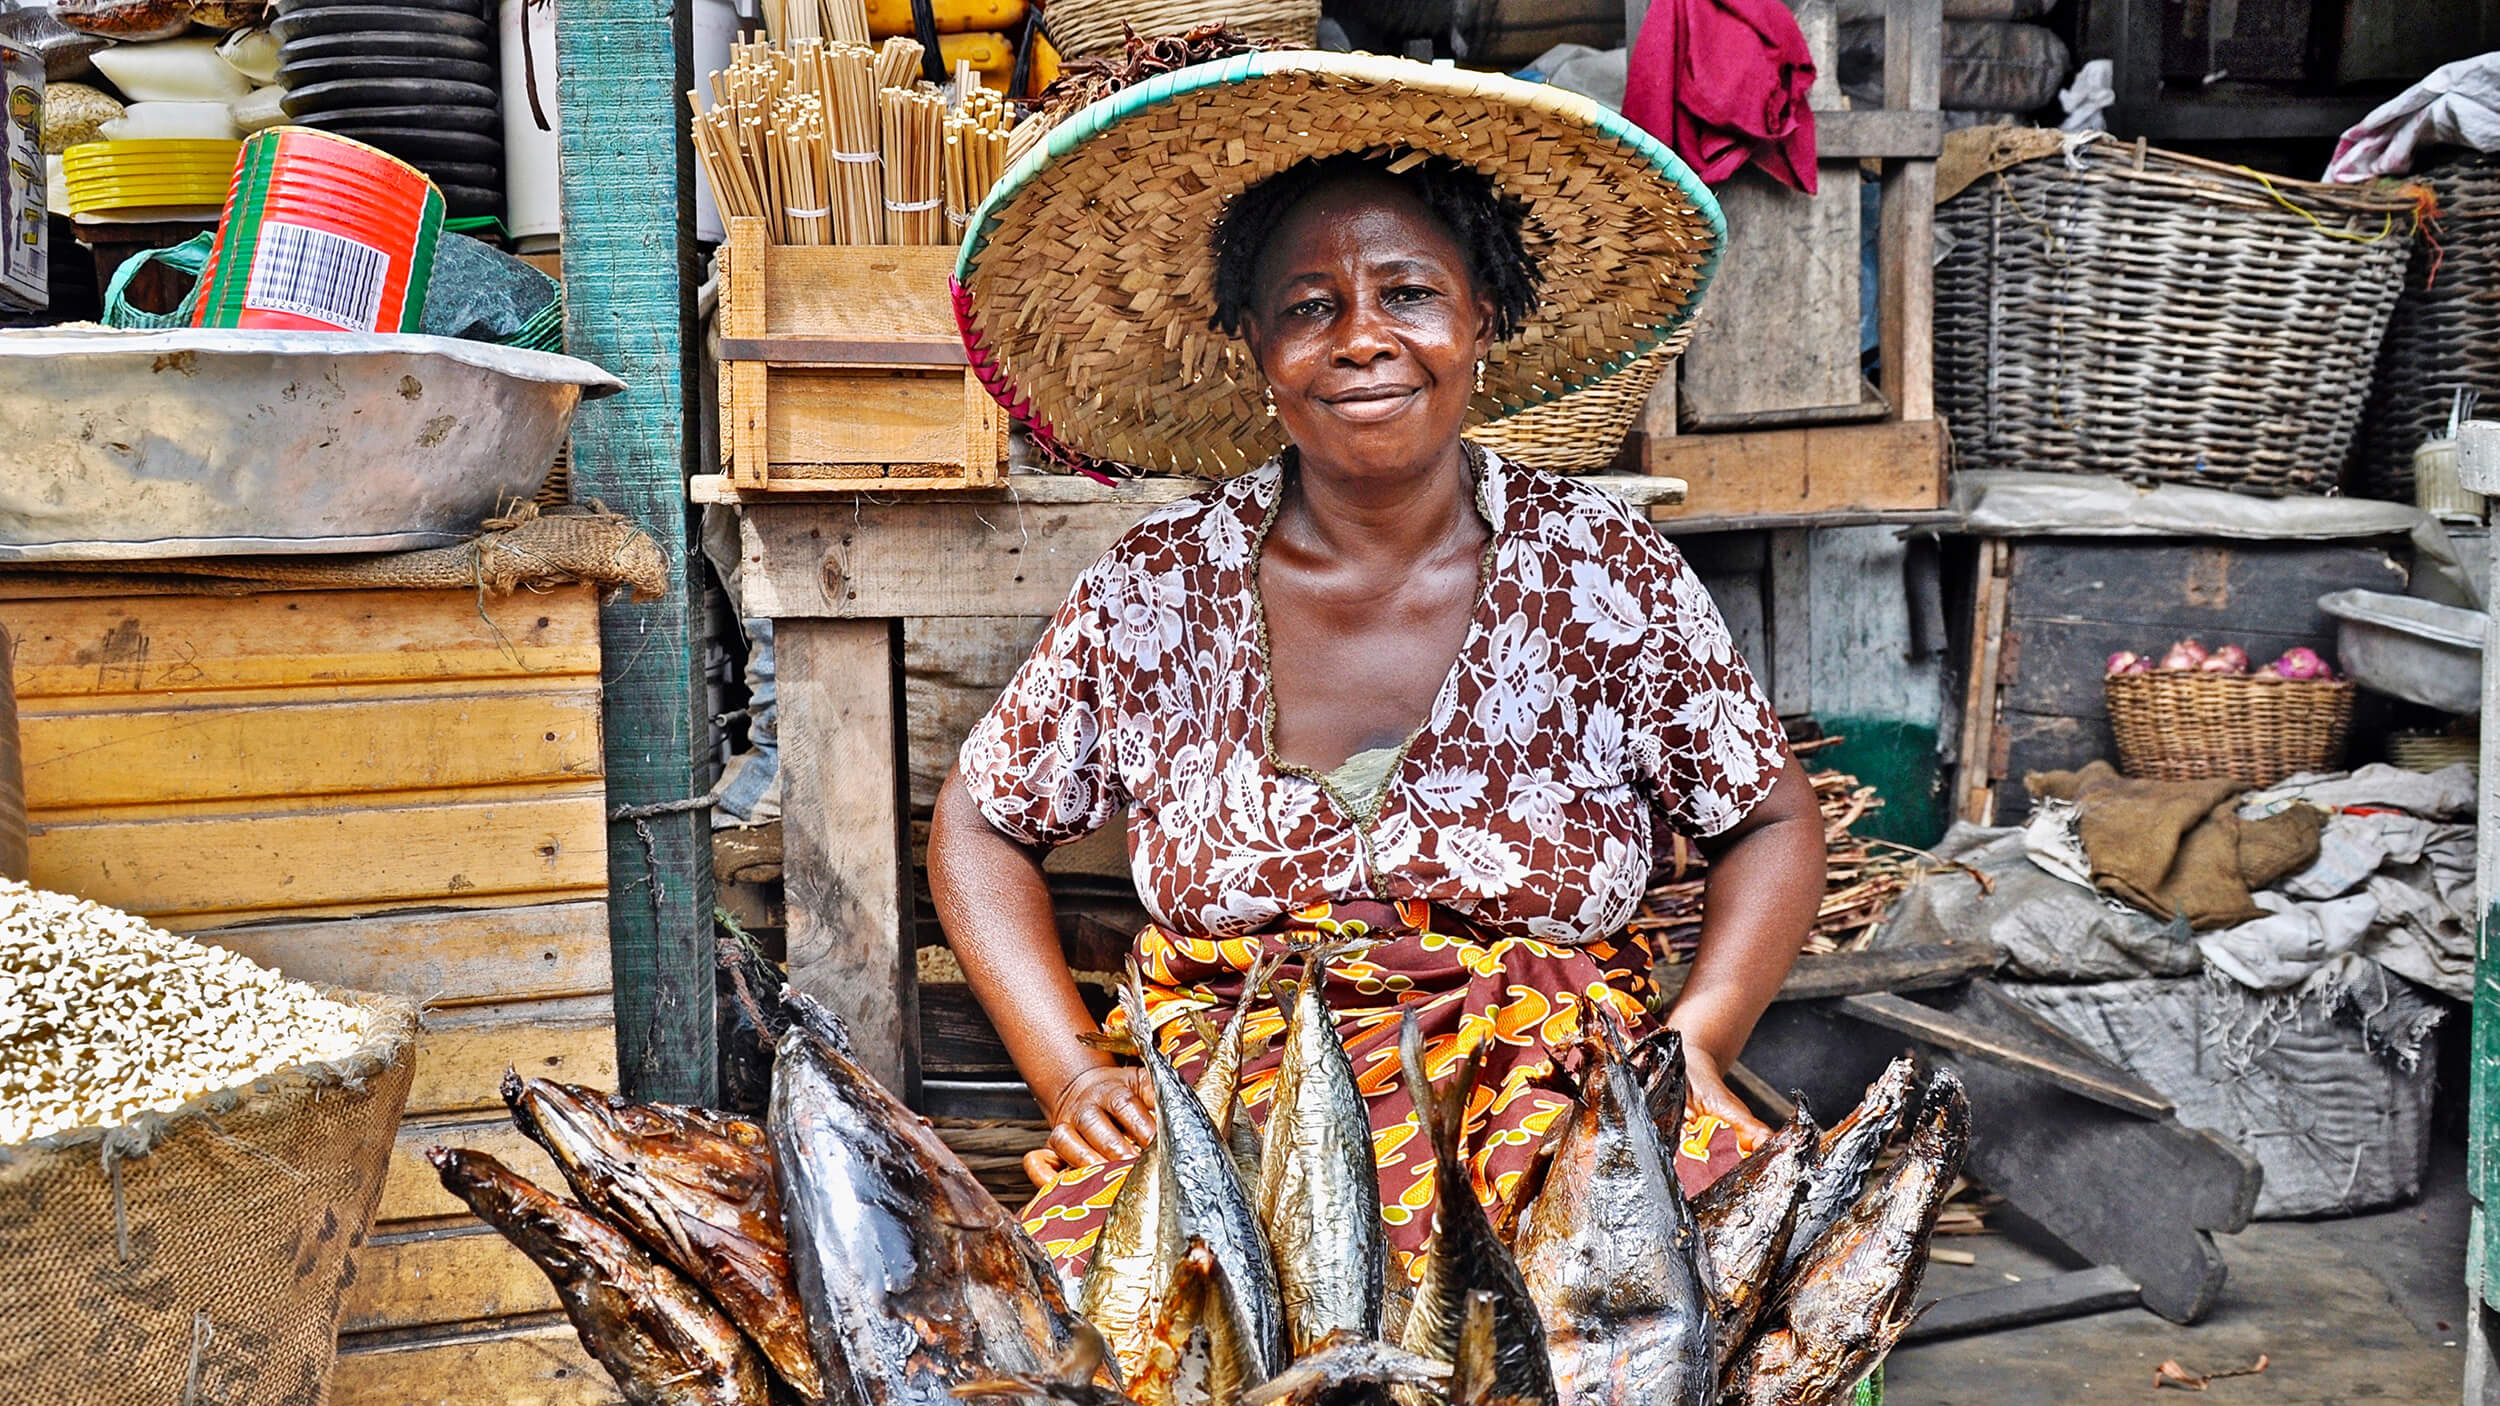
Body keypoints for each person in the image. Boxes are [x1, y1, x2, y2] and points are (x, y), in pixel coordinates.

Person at [933, 52, 1826, 1281]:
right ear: (1253, 345)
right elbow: (982, 822)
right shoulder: (1157, 586)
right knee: (1094, 1322)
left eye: (1408, 294)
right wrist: (1075, 1068)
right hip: (1237, 1089)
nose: (1361, 340)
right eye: (1308, 306)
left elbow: (1769, 818)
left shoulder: (1602, 571)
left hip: (1554, 1078)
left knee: (1701, 1303)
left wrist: (1698, 1045)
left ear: (1479, 321)